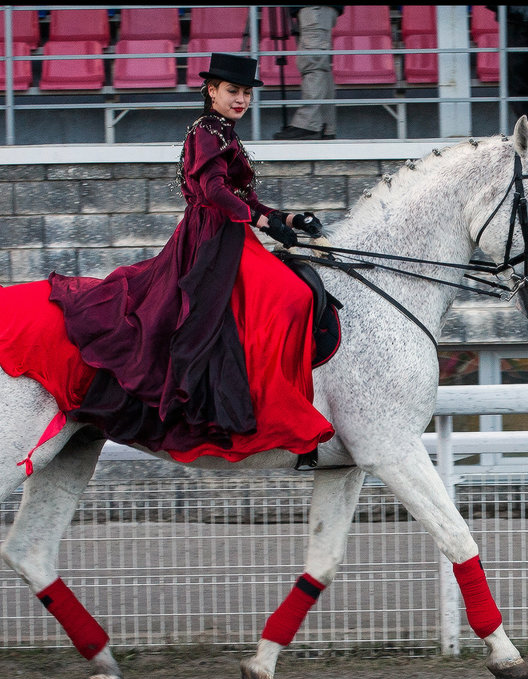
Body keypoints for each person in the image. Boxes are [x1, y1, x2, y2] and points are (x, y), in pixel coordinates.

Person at [34, 53, 334, 464]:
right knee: (291, 299)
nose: (241, 99)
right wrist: (261, 222)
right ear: (211, 90)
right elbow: (213, 190)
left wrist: (288, 218)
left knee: (288, 298)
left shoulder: (223, 131)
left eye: (246, 92)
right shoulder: (208, 131)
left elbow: (244, 197)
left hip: (231, 235)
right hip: (212, 241)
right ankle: (273, 409)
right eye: (233, 91)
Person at [273, 6, 344, 140]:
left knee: (313, 62)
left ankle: (309, 124)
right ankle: (325, 125)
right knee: (319, 64)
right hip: (316, 10)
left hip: (314, 9)